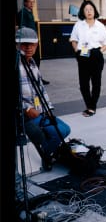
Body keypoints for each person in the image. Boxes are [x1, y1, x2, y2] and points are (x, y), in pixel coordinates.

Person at [16, 27, 71, 171]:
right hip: (24, 115)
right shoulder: (16, 64)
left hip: (40, 111)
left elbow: (41, 90)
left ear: (36, 45)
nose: (28, 48)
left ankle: (46, 152)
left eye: (32, 44)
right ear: (17, 44)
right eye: (24, 44)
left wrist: (49, 108)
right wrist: (26, 108)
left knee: (65, 129)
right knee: (54, 133)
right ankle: (46, 154)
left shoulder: (33, 64)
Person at [69, 0, 106, 118]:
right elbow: (73, 40)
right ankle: (89, 105)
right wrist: (77, 51)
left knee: (96, 83)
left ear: (94, 11)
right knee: (83, 84)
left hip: (96, 55)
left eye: (91, 9)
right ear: (83, 11)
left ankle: (92, 107)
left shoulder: (100, 26)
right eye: (86, 10)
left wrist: (98, 52)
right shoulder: (78, 24)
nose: (89, 12)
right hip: (83, 54)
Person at [17, 0, 49, 85]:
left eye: (33, 2)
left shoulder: (29, 12)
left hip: (33, 40)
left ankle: (37, 77)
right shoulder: (23, 13)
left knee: (37, 59)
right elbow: (23, 28)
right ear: (25, 3)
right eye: (30, 2)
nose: (32, 4)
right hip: (29, 42)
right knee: (31, 60)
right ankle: (33, 78)